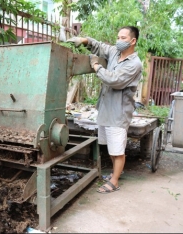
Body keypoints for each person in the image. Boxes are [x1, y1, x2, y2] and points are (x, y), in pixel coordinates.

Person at [66, 26, 143, 194]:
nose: (118, 40)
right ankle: (116, 173)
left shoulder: (134, 64)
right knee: (110, 147)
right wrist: (84, 40)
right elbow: (100, 46)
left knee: (118, 149)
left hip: (118, 111)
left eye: (123, 38)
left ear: (132, 41)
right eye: (118, 37)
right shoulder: (115, 52)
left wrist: (96, 66)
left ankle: (115, 181)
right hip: (106, 108)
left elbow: (114, 80)